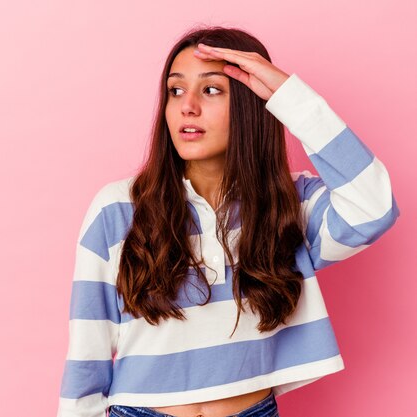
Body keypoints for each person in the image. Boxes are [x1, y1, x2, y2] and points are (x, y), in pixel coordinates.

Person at [56, 26, 400, 417]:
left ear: (251, 103)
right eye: (175, 90)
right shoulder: (119, 207)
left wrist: (292, 99)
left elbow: (374, 208)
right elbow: (88, 349)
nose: (188, 107)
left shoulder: (288, 203)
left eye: (212, 90)